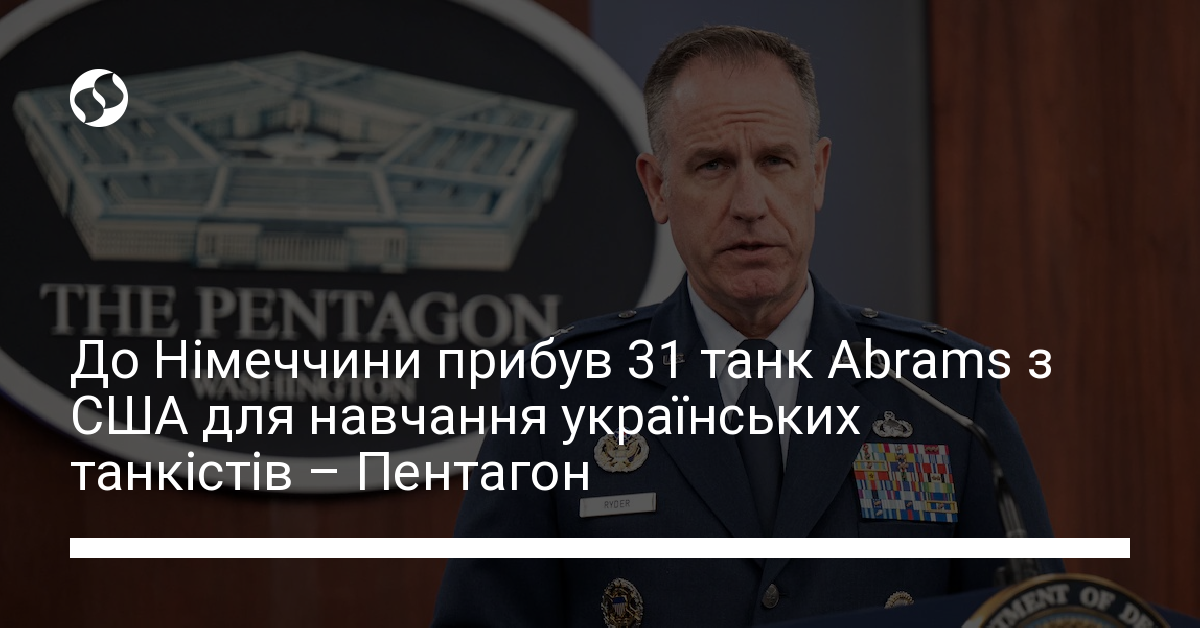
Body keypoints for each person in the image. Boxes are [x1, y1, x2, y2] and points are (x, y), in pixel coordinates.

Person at [433, 25, 1059, 626]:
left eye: (776, 161)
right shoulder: (557, 393)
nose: (751, 205)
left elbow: (1037, 619)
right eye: (712, 165)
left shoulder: (947, 395)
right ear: (657, 188)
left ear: (818, 174)